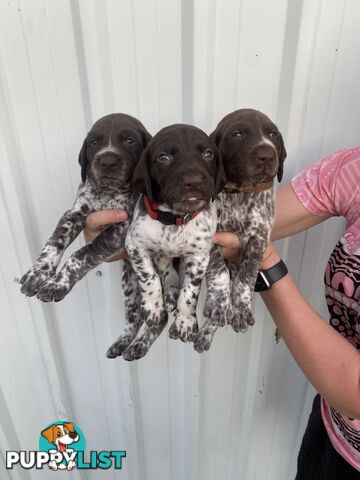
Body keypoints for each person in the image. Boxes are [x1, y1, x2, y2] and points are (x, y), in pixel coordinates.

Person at [84, 146, 360, 478]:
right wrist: (132, 239)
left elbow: (354, 392)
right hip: (332, 427)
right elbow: (237, 229)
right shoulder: (354, 167)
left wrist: (264, 264)